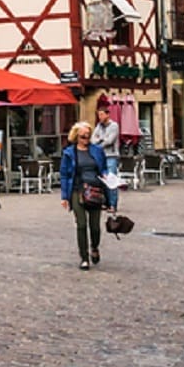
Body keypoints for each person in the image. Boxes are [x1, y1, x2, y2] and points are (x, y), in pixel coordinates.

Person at [59, 121, 109, 270]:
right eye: (83, 136)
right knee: (81, 224)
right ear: (76, 136)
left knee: (95, 226)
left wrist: (106, 176)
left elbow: (104, 168)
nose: (86, 139)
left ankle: (95, 247)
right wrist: (64, 196)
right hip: (77, 190)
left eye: (88, 136)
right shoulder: (69, 153)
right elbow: (64, 174)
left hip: (95, 190)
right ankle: (84, 257)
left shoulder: (97, 150)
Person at [91, 104, 121, 212]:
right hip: (101, 156)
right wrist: (101, 140)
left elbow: (109, 141)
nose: (100, 117)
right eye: (99, 115)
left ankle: (113, 204)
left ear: (107, 115)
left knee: (111, 179)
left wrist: (99, 141)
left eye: (102, 114)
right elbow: (93, 139)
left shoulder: (114, 126)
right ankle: (105, 202)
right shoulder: (99, 126)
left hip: (111, 156)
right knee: (102, 180)